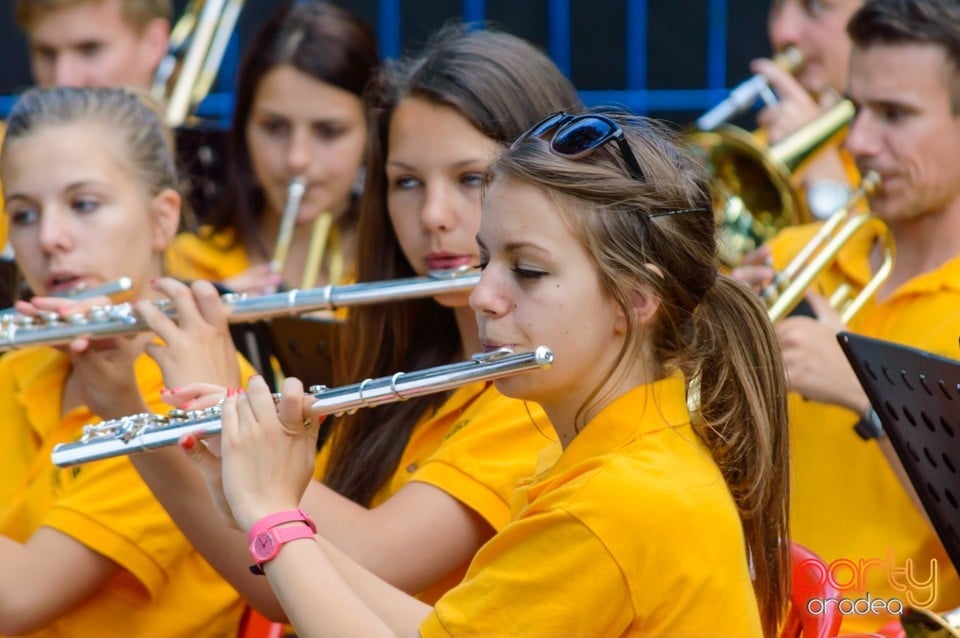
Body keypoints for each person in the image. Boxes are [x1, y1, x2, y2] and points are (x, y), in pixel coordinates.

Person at [207, 108, 792, 637]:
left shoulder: (611, 505)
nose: (483, 295)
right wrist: (271, 507)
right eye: (487, 260)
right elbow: (436, 629)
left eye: (529, 270)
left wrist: (271, 519)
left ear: (635, 300)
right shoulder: (609, 453)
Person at [123, 24, 583, 620]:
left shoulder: (537, 394)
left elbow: (373, 558)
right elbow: (280, 585)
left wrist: (225, 404)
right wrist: (118, 395)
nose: (434, 216)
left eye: (472, 179)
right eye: (406, 182)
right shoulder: (412, 366)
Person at [0, 86, 247, 635]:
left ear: (163, 219)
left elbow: (16, 601)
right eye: (23, 214)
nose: (50, 238)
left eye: (83, 204)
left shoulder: (198, 395)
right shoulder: (21, 362)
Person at [754, 0, 960, 630]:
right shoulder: (791, 255)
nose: (860, 142)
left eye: (895, 115)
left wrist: (866, 393)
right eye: (854, 108)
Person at [165, 1, 377, 296]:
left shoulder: (392, 272)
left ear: (370, 134)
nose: (297, 159)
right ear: (244, 128)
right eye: (275, 127)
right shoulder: (185, 263)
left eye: (329, 132)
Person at [751, 0, 865, 221]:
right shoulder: (755, 150)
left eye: (815, 6)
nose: (783, 32)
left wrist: (818, 161)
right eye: (776, 7)